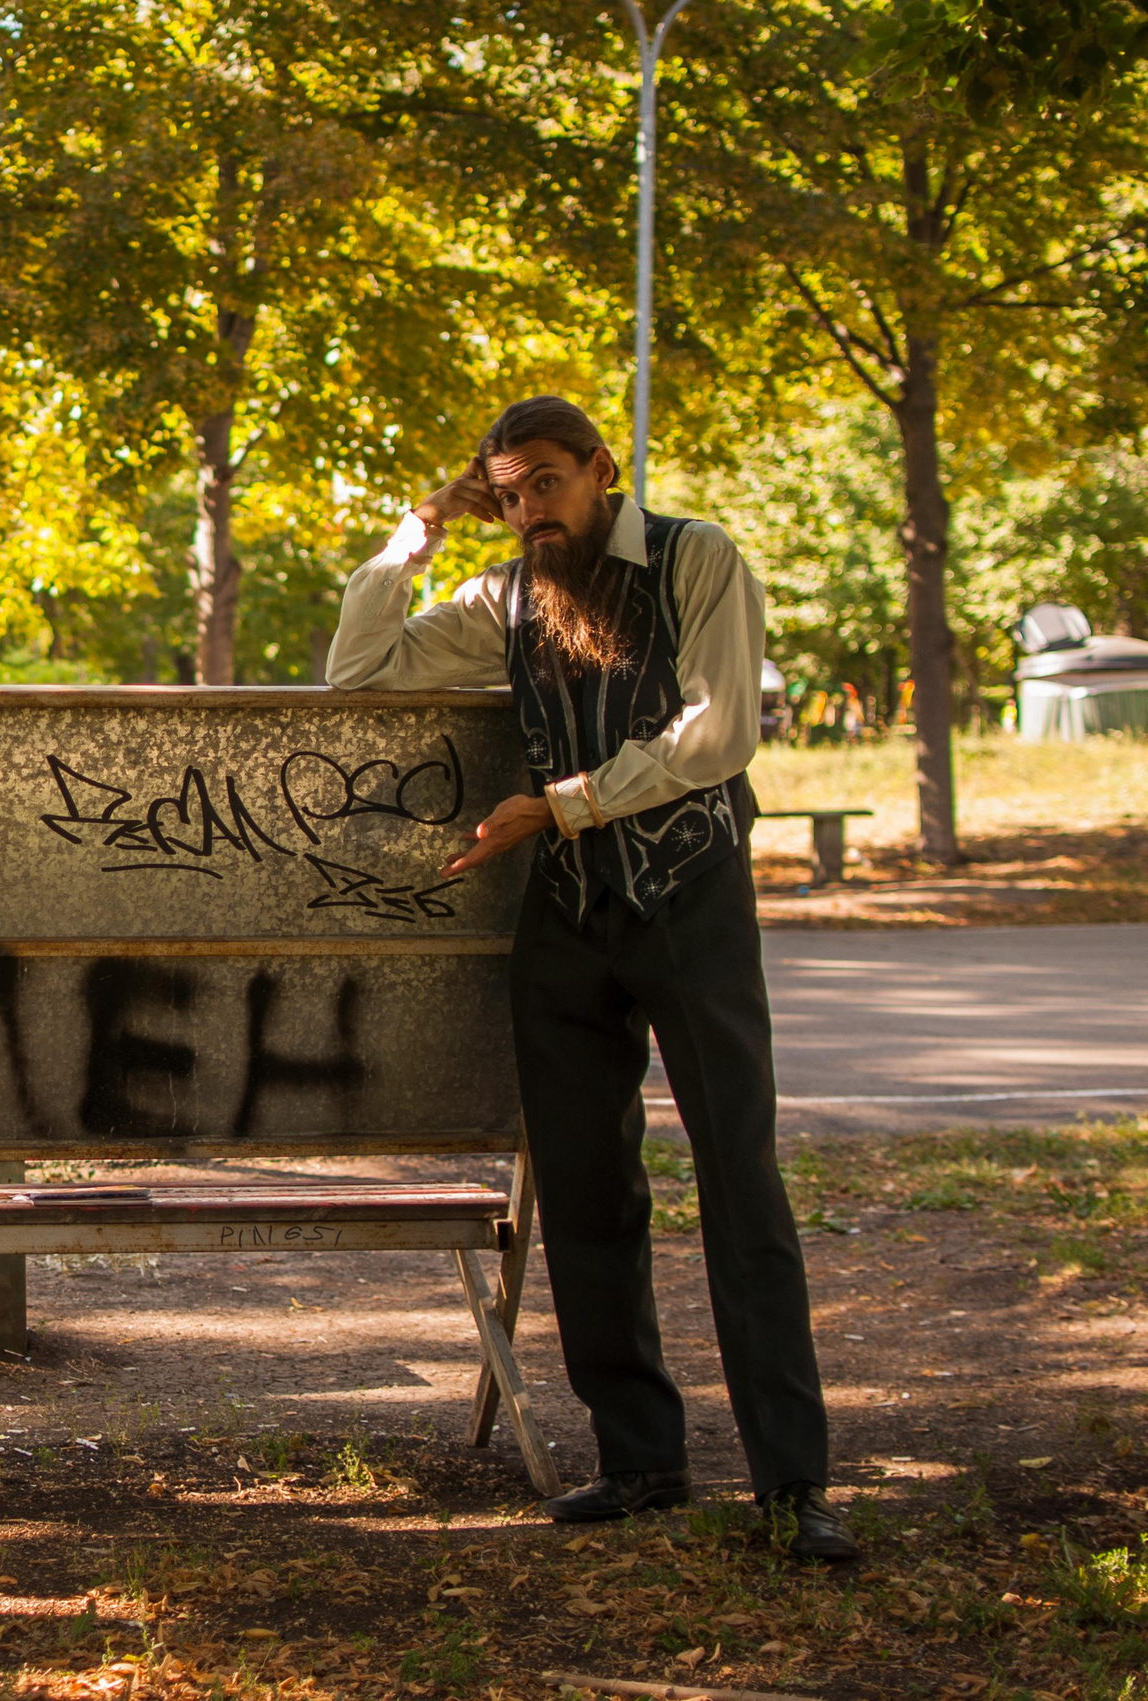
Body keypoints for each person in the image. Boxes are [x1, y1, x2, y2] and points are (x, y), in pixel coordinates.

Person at [325, 397, 858, 1564]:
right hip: (567, 913)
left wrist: (561, 805)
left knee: (739, 1184)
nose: (528, 511)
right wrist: (416, 529)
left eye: (547, 484)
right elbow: (358, 669)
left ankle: (790, 1484)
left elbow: (720, 735)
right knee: (583, 1192)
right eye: (506, 493)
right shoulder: (505, 593)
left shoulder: (693, 557)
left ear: (601, 470)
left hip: (690, 903)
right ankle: (640, 1461)